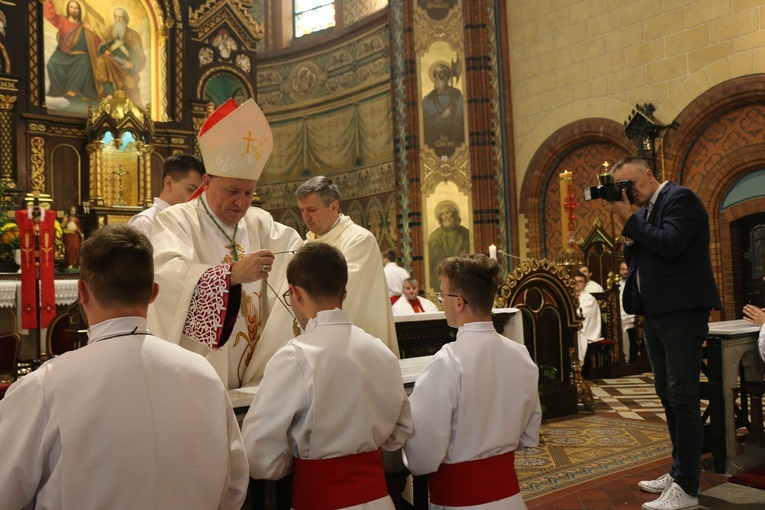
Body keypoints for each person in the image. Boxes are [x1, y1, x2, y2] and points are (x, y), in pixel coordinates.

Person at [0, 225, 249, 509]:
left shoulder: (46, 386)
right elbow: (234, 486)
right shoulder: (203, 374)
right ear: (154, 292)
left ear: (82, 291)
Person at [241, 243, 412, 509]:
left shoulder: (294, 357)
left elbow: (257, 455)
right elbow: (400, 431)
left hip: (321, 499)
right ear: (344, 292)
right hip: (380, 500)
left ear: (296, 293)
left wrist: (299, 462)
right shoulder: (381, 351)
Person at [149, 98, 303, 389]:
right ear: (207, 181)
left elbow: (296, 253)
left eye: (249, 193)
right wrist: (231, 275)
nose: (241, 202)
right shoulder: (176, 220)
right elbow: (166, 277)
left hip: (255, 364)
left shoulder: (260, 222)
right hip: (201, 368)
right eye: (232, 191)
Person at [612, 157, 720, 510]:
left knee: (683, 396)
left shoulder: (680, 198)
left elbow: (671, 244)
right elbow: (643, 254)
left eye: (632, 184)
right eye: (622, 188)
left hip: (682, 312)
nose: (629, 192)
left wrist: (630, 220)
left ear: (649, 174)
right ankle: (678, 471)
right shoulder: (643, 213)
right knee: (666, 394)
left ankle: (688, 488)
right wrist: (632, 227)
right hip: (656, 313)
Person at [403, 254, 542, 509]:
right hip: (511, 500)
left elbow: (421, 456)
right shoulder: (520, 355)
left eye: (442, 296)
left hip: (460, 501)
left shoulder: (446, 363)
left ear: (459, 302)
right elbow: (530, 434)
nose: (441, 303)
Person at [295, 175, 399, 356]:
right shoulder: (305, 245)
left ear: (334, 206)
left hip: (357, 345)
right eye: (302, 210)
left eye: (311, 209)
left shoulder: (358, 240)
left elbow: (338, 293)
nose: (306, 217)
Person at [127, 154, 205, 238]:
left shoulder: (192, 223)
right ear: (169, 183)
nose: (196, 198)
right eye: (191, 190)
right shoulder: (145, 222)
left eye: (199, 193)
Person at [42, 0, 100, 102]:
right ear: (68, 9)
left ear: (80, 10)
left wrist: (93, 31)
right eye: (71, 7)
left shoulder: (84, 26)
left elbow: (96, 44)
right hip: (63, 53)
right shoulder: (62, 20)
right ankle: (57, 91)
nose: (73, 10)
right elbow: (50, 16)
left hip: (79, 55)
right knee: (52, 63)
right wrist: (48, 1)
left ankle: (73, 89)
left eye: (76, 8)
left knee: (84, 62)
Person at [95, 7, 146, 105]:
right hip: (110, 62)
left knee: (131, 85)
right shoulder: (109, 32)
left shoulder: (133, 35)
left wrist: (131, 64)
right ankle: (110, 92)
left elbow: (138, 56)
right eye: (116, 17)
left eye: (121, 17)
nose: (118, 20)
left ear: (125, 19)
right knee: (102, 60)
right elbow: (101, 47)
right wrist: (104, 51)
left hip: (124, 68)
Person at [422, 62, 465, 159]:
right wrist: (443, 116)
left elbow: (461, 122)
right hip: (435, 145)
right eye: (436, 73)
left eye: (442, 73)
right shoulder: (427, 100)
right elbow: (427, 127)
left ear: (448, 76)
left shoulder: (456, 96)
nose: (439, 76)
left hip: (455, 143)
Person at [428, 200, 470, 290]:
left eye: (448, 212)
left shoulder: (465, 233)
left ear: (454, 214)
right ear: (440, 217)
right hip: (445, 274)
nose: (446, 216)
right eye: (442, 214)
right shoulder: (435, 236)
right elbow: (437, 258)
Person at [574, 273, 602, 367]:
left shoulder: (589, 298)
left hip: (587, 328)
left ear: (585, 284)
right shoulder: (569, 295)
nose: (577, 283)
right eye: (575, 281)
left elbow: (583, 315)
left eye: (580, 281)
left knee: (577, 336)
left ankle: (577, 366)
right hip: (576, 325)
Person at [618, 261, 635, 363]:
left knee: (621, 326)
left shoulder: (634, 284)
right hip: (619, 313)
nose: (625, 272)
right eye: (623, 269)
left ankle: (625, 356)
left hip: (630, 314)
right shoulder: (616, 284)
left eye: (627, 269)